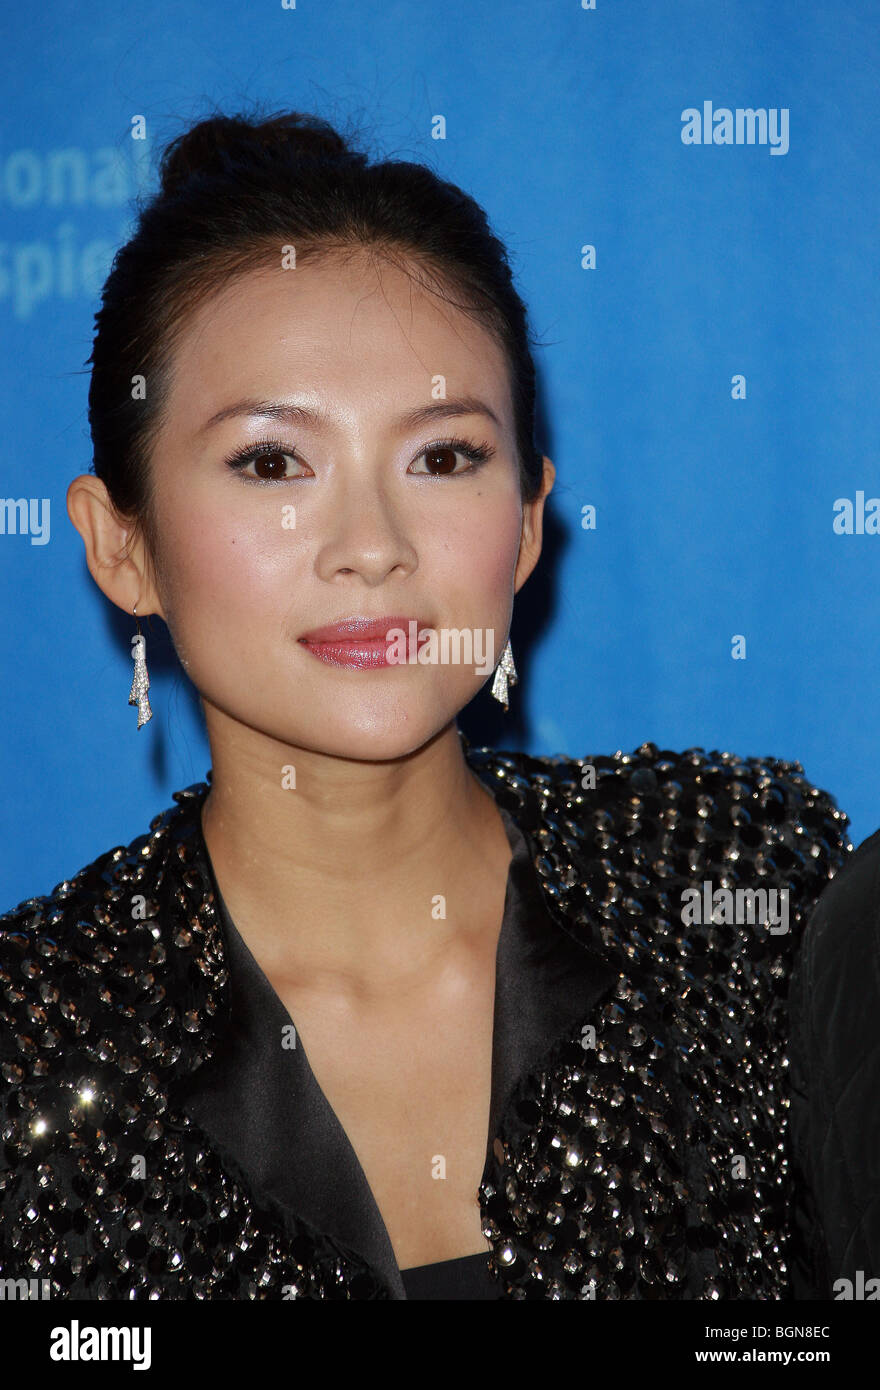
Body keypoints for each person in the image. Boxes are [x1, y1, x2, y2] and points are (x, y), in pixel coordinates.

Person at [0, 108, 852, 1301]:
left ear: (526, 521)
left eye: (443, 457)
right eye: (271, 461)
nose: (373, 547)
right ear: (119, 543)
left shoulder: (741, 891)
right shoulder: (31, 1052)